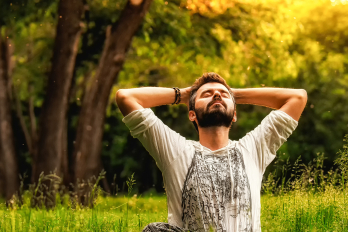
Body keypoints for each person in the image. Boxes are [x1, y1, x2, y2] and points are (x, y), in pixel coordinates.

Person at [115, 72, 307, 232]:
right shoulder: (175, 151)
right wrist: (183, 95)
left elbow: (297, 97)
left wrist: (233, 94)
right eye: (207, 94)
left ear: (234, 115)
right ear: (192, 114)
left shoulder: (254, 148)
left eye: (223, 94)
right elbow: (126, 97)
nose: (216, 95)